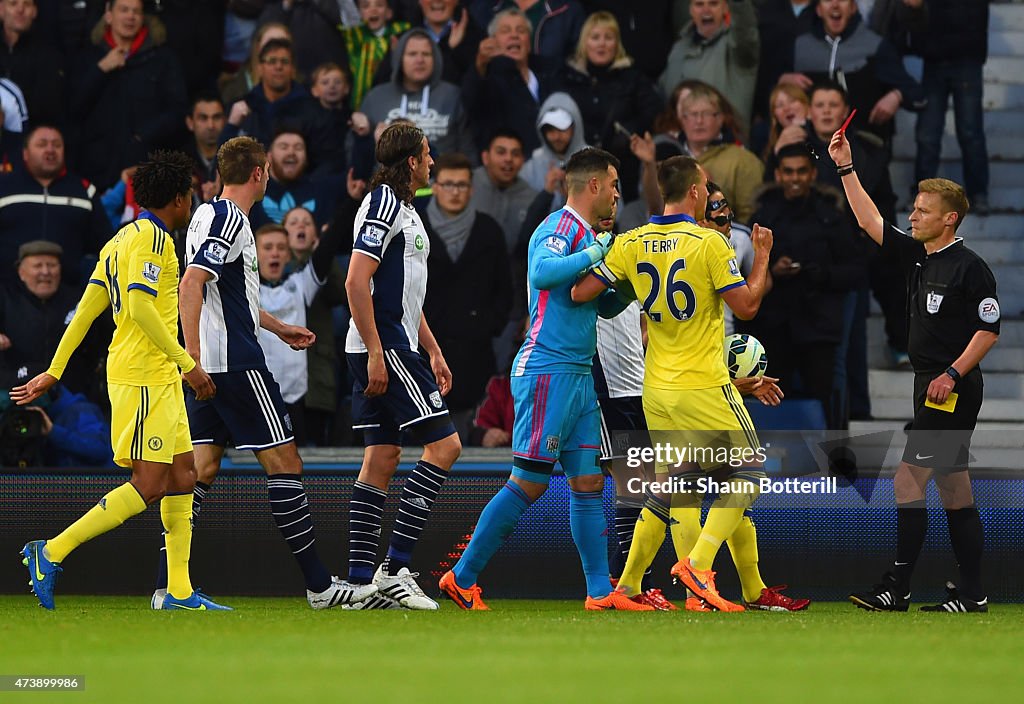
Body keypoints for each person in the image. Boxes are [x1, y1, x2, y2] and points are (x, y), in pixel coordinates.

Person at [13, 150, 229, 611]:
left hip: (157, 376)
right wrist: (186, 362)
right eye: (189, 193)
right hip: (145, 375)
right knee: (149, 484)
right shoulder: (154, 240)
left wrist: (55, 368)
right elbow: (138, 306)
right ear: (177, 197)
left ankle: (178, 591)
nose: (191, 201)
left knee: (184, 475)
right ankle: (50, 551)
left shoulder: (118, 241)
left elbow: (87, 310)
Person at [439, 147, 653, 612]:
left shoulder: (585, 234)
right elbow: (540, 272)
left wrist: (634, 281)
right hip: (546, 369)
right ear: (593, 185)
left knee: (588, 483)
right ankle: (462, 576)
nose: (619, 193)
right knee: (529, 482)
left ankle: (599, 592)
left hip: (577, 373)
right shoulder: (561, 228)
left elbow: (597, 304)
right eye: (614, 184)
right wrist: (600, 250)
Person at [174, 136, 375, 610]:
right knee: (286, 465)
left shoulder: (206, 212)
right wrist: (194, 358)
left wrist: (280, 326)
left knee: (199, 469)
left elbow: (228, 295)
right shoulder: (229, 220)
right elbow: (192, 284)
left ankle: (172, 583)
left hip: (217, 367)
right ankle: (321, 587)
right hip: (236, 366)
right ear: (260, 173)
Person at [571, 155, 774, 612]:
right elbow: (746, 308)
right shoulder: (709, 242)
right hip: (702, 383)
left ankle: (623, 588)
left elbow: (583, 293)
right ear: (697, 191)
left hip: (655, 388)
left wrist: (625, 284)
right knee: (748, 472)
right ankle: (699, 566)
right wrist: (761, 256)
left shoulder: (631, 242)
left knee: (671, 488)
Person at [830, 128, 999, 614]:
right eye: (913, 208)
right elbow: (869, 220)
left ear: (949, 219)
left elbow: (989, 330)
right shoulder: (920, 257)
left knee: (907, 481)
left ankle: (897, 589)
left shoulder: (971, 268)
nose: (912, 215)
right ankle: (973, 594)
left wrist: (951, 373)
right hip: (931, 384)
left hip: (950, 388)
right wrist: (845, 166)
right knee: (954, 488)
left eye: (922, 210)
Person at [341, 122, 462, 610]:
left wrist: (431, 348)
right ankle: (395, 567)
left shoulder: (406, 209)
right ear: (411, 162)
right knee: (446, 446)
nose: (433, 162)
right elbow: (355, 282)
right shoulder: (384, 203)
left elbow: (406, 292)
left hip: (394, 341)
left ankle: (359, 581)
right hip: (384, 345)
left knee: (382, 459)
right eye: (428, 155)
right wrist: (376, 349)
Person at [422, 152, 512, 442]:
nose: (455, 192)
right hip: (425, 353)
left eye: (461, 185)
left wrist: (487, 324)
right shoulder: (415, 227)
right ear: (435, 186)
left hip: (476, 354)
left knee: (475, 441)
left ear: (471, 189)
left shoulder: (488, 230)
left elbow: (505, 289)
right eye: (448, 184)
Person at [69, 0, 189, 190]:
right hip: (96, 169)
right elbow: (73, 108)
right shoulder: (88, 57)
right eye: (124, 10)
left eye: (136, 11)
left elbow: (178, 110)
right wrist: (101, 70)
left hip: (145, 166)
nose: (130, 16)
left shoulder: (162, 58)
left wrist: (143, 136)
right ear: (109, 15)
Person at [551, 10, 662, 202]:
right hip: (577, 166)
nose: (602, 43)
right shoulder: (567, 78)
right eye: (595, 37)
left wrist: (628, 132)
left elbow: (652, 112)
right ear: (584, 42)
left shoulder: (632, 78)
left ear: (617, 43)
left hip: (624, 167)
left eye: (608, 37)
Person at [253, 216, 341, 446]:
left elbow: (325, 253)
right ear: (254, 254)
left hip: (295, 401)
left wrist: (351, 201)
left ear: (289, 255)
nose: (275, 253)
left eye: (281, 248)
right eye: (268, 247)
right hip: (254, 398)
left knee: (296, 465)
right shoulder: (242, 290)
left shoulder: (301, 284)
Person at [0, 241, 111, 407]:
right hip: (13, 396)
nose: (45, 272)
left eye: (51, 265)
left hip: (73, 397)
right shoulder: (5, 300)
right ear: (21, 272)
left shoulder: (81, 300)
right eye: (38, 266)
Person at [0, 125, 110, 286]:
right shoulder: (4, 187)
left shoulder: (84, 190)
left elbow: (105, 245)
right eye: (42, 144)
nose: (50, 150)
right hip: (8, 294)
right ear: (25, 153)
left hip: (70, 292)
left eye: (57, 145)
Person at [909, 0, 990, 213]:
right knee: (928, 133)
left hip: (965, 59)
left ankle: (978, 192)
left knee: (969, 131)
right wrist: (918, 11)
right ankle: (923, 194)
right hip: (937, 60)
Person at [356, 28, 475, 160]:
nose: (420, 60)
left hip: (442, 177)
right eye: (412, 54)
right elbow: (358, 153)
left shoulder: (453, 95)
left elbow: (468, 147)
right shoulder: (375, 97)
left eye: (426, 54)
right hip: (387, 178)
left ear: (435, 59)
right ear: (399, 58)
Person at [462, 7, 556, 154]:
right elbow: (471, 100)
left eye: (521, 30)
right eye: (506, 31)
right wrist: (480, 64)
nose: (514, 35)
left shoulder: (548, 73)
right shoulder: (486, 76)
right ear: (492, 40)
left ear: (529, 41)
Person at [659, 0, 759, 137]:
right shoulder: (678, 49)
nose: (706, 10)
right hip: (681, 149)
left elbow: (746, 29)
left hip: (727, 148)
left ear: (725, 8)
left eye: (713, 3)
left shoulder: (738, 48)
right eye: (699, 4)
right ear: (691, 10)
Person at [0, 0, 65, 126]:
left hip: (30, 136)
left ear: (35, 12)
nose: (20, 10)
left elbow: (49, 106)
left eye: (27, 4)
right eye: (13, 3)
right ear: (1, 9)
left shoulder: (49, 53)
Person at [342, 0, 411, 110]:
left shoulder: (401, 32)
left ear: (389, 13)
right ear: (358, 13)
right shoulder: (355, 37)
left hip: (393, 102)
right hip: (360, 103)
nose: (373, 9)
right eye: (365, 6)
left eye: (379, 5)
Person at [183, 91, 226, 204]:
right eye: (203, 118)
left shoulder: (236, 160)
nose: (210, 125)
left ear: (225, 121)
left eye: (216, 117)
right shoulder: (180, 164)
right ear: (190, 122)